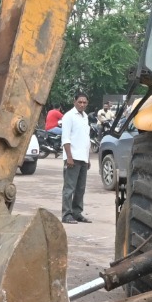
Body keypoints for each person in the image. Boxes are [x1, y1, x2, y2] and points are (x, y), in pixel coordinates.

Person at [61, 93, 92, 224]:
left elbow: (86, 140)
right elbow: (66, 138)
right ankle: (66, 214)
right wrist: (69, 157)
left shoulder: (85, 117)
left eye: (84, 102)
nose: (82, 104)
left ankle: (77, 212)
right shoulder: (69, 116)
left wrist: (88, 158)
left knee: (80, 188)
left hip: (83, 158)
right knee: (69, 188)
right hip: (72, 158)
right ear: (74, 102)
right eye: (80, 102)